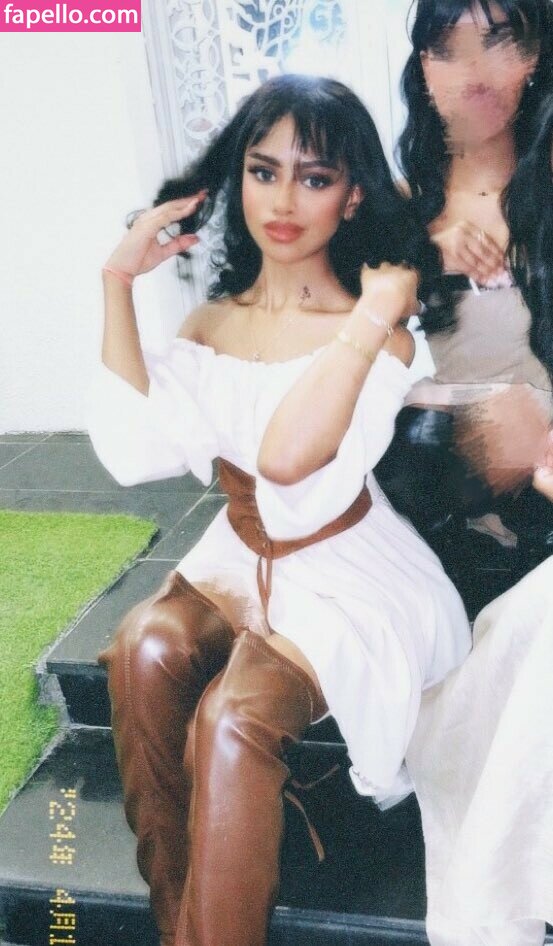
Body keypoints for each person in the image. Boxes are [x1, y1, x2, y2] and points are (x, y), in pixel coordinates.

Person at [87, 74, 471, 946]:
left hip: (346, 569)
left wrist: (370, 314)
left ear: (352, 194)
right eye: (263, 172)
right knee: (143, 648)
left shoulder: (379, 333)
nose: (283, 201)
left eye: (315, 176)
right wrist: (116, 280)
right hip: (239, 550)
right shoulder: (208, 324)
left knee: (232, 720)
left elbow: (288, 463)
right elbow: (134, 449)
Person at [374, 0, 553, 612]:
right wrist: (422, 259)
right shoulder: (403, 207)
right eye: (448, 49)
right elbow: (346, 345)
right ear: (424, 68)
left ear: (534, 57)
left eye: (497, 42)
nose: (474, 73)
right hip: (452, 476)